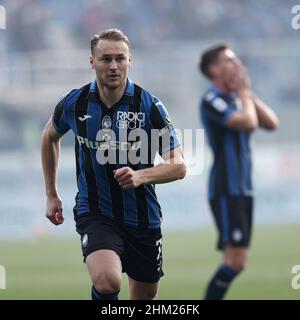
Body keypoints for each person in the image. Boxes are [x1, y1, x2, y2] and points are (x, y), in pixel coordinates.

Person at [41, 28, 186, 300]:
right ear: (92, 62)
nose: (113, 66)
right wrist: (51, 194)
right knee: (107, 282)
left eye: (120, 58)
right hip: (95, 212)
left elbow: (179, 165)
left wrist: (141, 176)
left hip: (143, 218)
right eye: (106, 59)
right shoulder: (74, 103)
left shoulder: (150, 106)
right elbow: (49, 137)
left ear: (130, 61)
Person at [198, 44, 279, 300]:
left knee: (237, 261)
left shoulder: (236, 98)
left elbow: (271, 123)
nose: (236, 64)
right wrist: (243, 92)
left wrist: (246, 93)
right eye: (229, 60)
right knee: (235, 261)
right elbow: (248, 123)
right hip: (227, 187)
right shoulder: (212, 99)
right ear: (214, 69)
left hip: (242, 186)